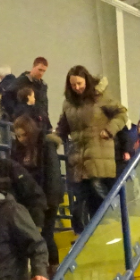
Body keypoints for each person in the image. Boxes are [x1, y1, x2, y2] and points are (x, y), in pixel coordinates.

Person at [55, 66, 128, 234]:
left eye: (79, 83)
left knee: (97, 189)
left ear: (86, 81)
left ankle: (115, 221)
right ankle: (86, 233)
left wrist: (109, 130)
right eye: (73, 85)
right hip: (78, 158)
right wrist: (54, 138)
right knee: (81, 197)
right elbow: (63, 127)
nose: (77, 87)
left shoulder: (100, 97)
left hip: (99, 152)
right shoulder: (68, 104)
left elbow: (122, 114)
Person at [12, 115, 63, 273]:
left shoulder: (46, 145)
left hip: (47, 198)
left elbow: (53, 175)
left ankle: (54, 269)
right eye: (18, 135)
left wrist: (51, 201)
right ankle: (42, 270)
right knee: (34, 236)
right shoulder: (17, 150)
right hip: (30, 199)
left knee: (46, 234)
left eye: (23, 135)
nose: (21, 139)